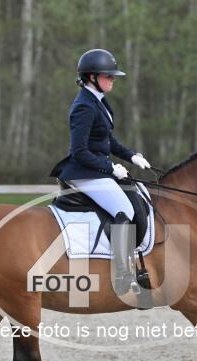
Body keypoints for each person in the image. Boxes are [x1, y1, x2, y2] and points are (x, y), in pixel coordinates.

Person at [50, 49, 152, 295]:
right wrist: (111, 168)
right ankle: (122, 274)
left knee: (136, 197)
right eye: (108, 76)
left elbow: (107, 141)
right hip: (83, 172)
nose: (113, 79)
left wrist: (131, 156)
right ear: (92, 77)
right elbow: (79, 151)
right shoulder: (84, 107)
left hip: (96, 169)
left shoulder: (98, 101)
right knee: (124, 210)